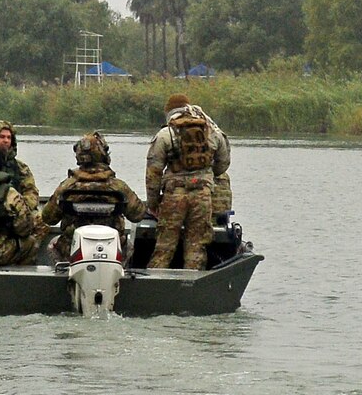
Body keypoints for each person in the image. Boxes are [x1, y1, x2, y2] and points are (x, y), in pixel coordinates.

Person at [145, 93, 231, 269]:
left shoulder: (165, 134)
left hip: (173, 196)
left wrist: (153, 203)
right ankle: (192, 285)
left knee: (165, 247)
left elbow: (153, 174)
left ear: (169, 112)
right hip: (203, 196)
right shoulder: (211, 131)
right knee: (197, 246)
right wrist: (206, 175)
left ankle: (155, 287)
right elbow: (223, 163)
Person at [40, 131, 148, 261]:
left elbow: (48, 218)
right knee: (129, 245)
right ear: (104, 155)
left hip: (72, 250)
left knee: (52, 244)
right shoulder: (119, 187)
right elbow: (138, 215)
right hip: (111, 250)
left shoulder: (67, 187)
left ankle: (64, 276)